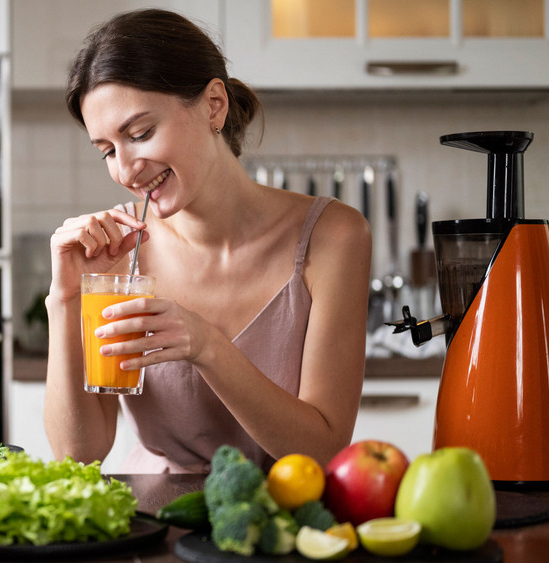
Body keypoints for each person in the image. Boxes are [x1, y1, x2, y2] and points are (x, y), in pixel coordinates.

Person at [44, 9, 372, 473]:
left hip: (290, 523)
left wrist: (207, 346)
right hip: (160, 516)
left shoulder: (333, 236)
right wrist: (66, 298)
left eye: (140, 134)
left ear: (213, 105)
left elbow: (324, 450)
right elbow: (78, 456)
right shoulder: (118, 255)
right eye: (107, 151)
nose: (125, 169)